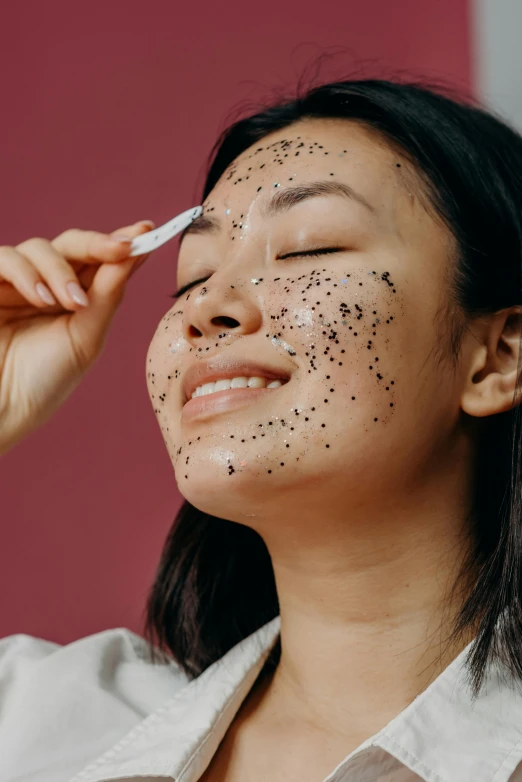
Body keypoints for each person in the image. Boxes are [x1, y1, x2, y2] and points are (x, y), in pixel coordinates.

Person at [1, 76, 522, 782]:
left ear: (498, 357)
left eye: (310, 251)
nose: (206, 306)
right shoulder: (39, 723)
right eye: (192, 276)